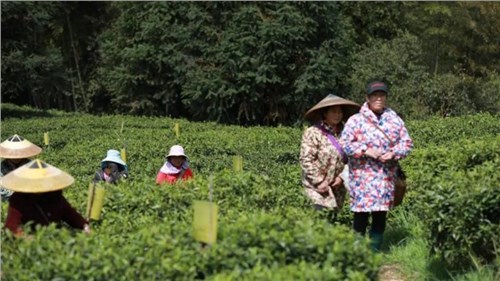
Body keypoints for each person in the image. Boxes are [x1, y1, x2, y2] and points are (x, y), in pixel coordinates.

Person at [340, 81, 413, 251]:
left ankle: (374, 253)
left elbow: (407, 143)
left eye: (382, 95)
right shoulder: (356, 120)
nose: (379, 98)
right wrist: (365, 150)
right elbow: (345, 144)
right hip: (362, 179)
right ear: (367, 98)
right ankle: (358, 254)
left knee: (380, 216)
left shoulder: (394, 119)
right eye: (375, 95)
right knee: (361, 217)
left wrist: (394, 153)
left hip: (385, 178)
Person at [300, 94, 360, 211]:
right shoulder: (313, 132)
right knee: (318, 219)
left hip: (336, 188)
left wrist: (341, 177)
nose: (337, 115)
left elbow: (354, 157)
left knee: (332, 222)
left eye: (339, 112)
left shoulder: (347, 133)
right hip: (315, 187)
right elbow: (306, 160)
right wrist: (319, 182)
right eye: (334, 112)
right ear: (325, 113)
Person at [3, 159, 90, 237]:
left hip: (55, 239)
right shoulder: (18, 198)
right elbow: (11, 227)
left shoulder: (55, 195)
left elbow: (70, 214)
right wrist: (26, 238)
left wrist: (84, 225)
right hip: (32, 243)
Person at [0, 134, 42, 201]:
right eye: (13, 153)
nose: (16, 157)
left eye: (18, 153)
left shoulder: (31, 164)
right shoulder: (2, 166)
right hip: (7, 198)